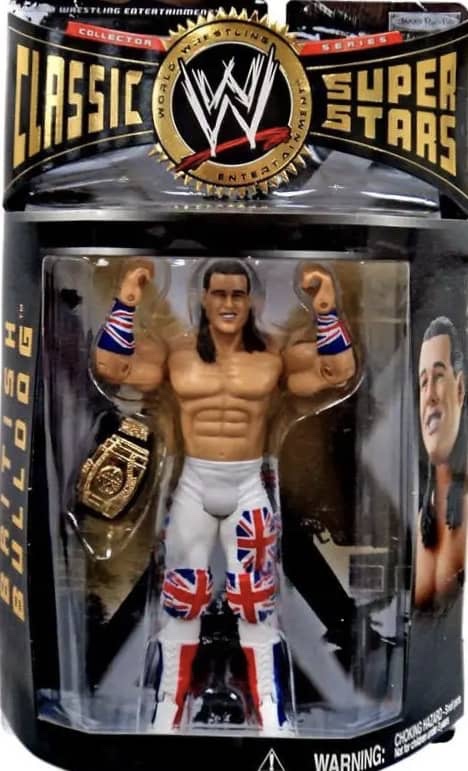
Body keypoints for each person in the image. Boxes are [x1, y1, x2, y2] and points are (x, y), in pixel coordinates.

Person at [94, 258, 356, 733]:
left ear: (251, 300)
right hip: (194, 483)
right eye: (219, 293)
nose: (229, 303)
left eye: (238, 294)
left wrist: (325, 309)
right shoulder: (177, 354)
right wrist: (127, 299)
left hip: (248, 482)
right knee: (182, 602)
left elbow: (335, 372)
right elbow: (113, 367)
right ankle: (166, 717)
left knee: (255, 604)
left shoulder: (273, 355)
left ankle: (273, 717)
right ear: (204, 297)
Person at [415, 316, 467, 608]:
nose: (430, 396)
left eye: (438, 377)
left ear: (460, 389)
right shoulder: (423, 517)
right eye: (423, 383)